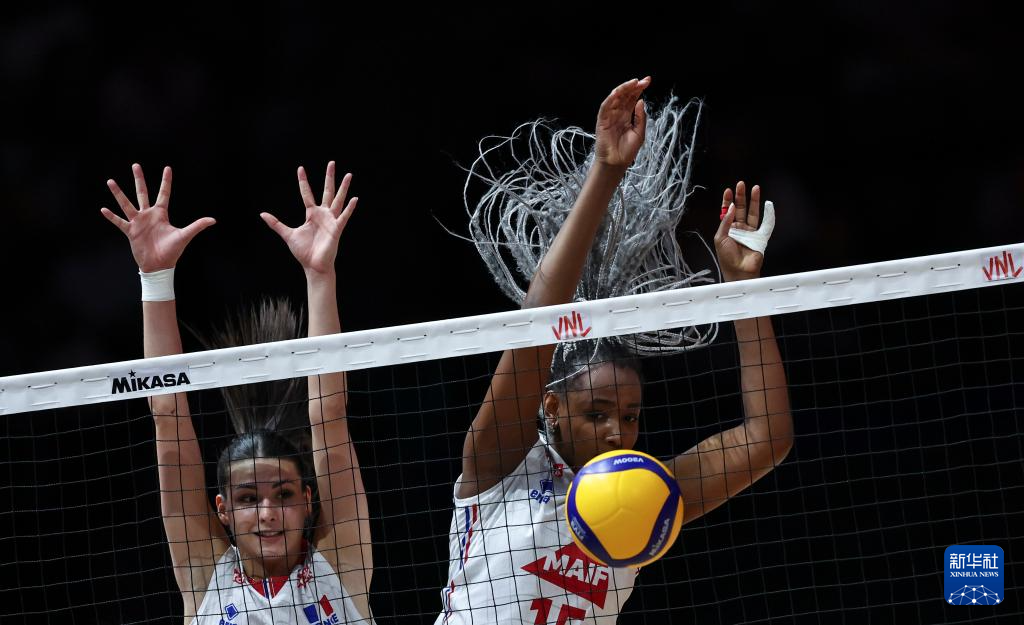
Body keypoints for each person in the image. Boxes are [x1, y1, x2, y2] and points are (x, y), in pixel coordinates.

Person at [437, 77, 793, 624]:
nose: (615, 432)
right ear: (552, 407)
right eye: (596, 413)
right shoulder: (500, 464)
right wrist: (606, 171)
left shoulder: (645, 494)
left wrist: (742, 289)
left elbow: (766, 439)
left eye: (629, 416)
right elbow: (538, 320)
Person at [101, 162, 375, 624]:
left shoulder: (341, 568)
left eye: (283, 494)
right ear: (223, 509)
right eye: (248, 498)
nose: (268, 514)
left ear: (308, 501)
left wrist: (320, 276)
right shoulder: (206, 577)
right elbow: (167, 418)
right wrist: (155, 278)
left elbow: (329, 416)